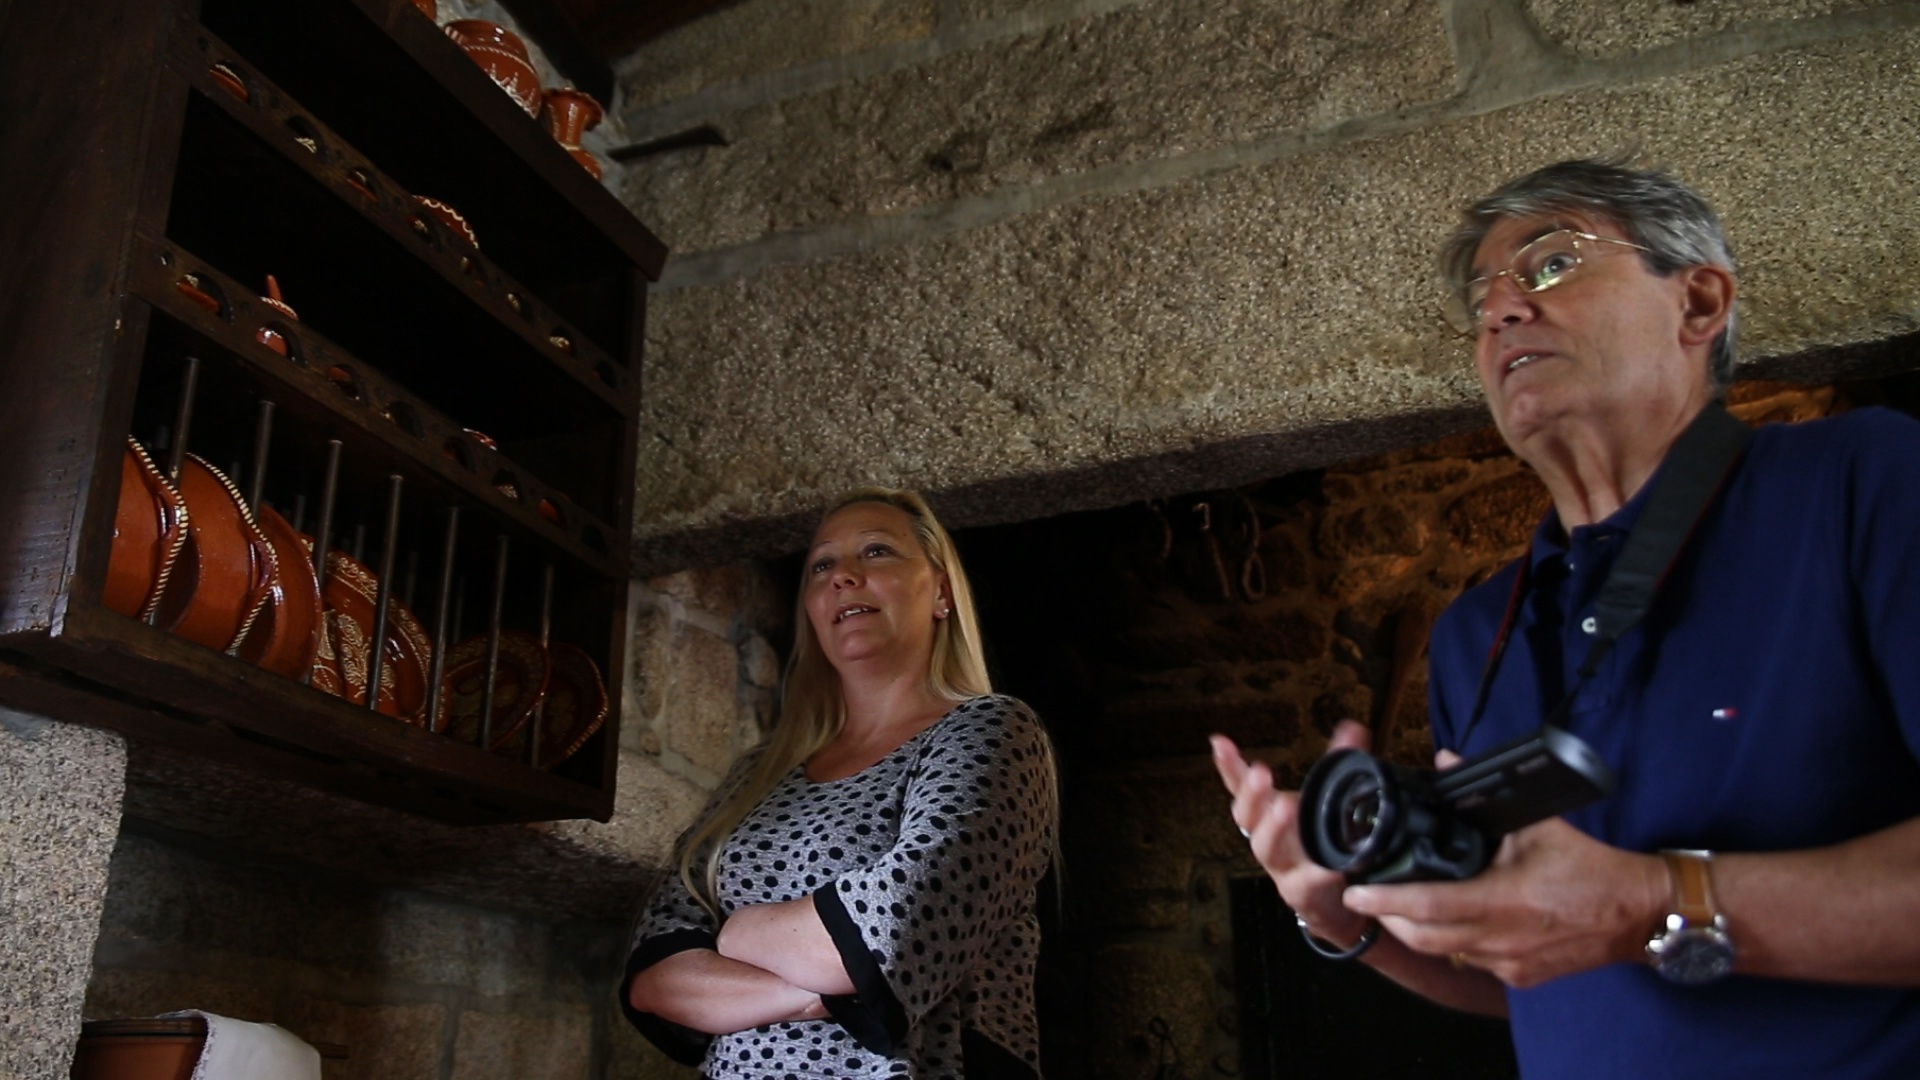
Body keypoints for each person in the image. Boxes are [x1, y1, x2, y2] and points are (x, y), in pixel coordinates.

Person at [1213, 157, 1920, 1077]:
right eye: (1482, 301)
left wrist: (1647, 901)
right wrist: (1346, 919)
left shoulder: (1866, 480)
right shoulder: (1476, 634)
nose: (1502, 310)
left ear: (1699, 303)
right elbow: (1538, 966)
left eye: (1551, 264)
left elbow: (1612, 919)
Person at [621, 487, 1059, 1079]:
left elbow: (891, 936)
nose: (843, 576)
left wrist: (737, 931)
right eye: (822, 565)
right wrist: (811, 997)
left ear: (942, 592)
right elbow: (654, 977)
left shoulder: (989, 732)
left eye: (876, 551)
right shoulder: (758, 773)